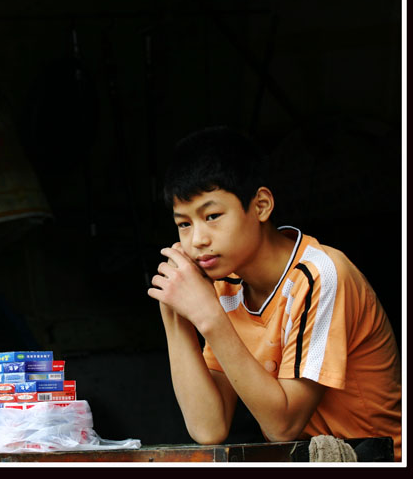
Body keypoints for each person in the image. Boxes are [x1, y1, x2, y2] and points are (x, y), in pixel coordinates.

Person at [147, 126, 402, 461]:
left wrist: (209, 317)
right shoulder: (225, 284)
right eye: (184, 224)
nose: (197, 240)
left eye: (212, 216)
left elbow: (283, 427)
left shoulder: (319, 275)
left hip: (374, 461)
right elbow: (209, 428)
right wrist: (175, 313)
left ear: (261, 206)